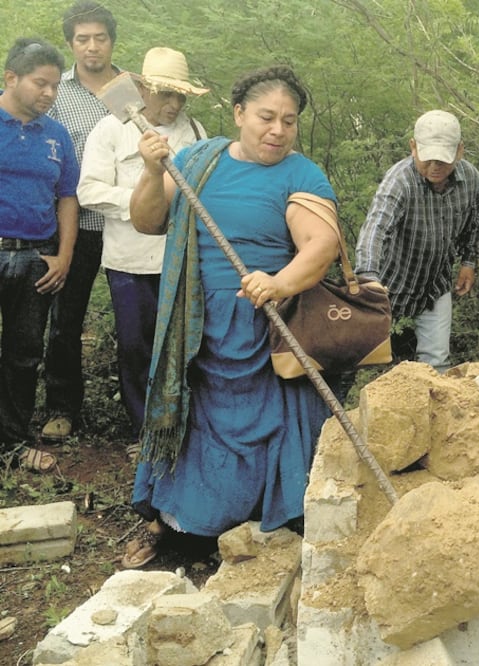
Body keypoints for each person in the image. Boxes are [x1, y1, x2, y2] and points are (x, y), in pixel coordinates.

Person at [123, 66, 342, 567]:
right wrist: (152, 171)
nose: (278, 130)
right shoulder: (197, 160)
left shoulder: (301, 174)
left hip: (267, 324)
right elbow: (147, 220)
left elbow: (321, 244)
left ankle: (271, 521)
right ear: (239, 114)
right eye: (267, 117)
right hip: (194, 325)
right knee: (197, 423)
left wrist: (279, 282)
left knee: (272, 424)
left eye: (289, 121)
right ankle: (187, 526)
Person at [76, 47, 207, 458]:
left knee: (184, 346)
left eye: (180, 96)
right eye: (166, 94)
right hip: (129, 261)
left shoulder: (195, 132)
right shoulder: (111, 129)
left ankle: (182, 428)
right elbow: (89, 190)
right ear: (144, 89)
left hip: (181, 259)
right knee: (136, 346)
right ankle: (143, 432)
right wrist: (143, 201)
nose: (174, 104)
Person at [41, 1, 121, 441]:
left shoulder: (131, 88)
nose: (92, 47)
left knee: (138, 321)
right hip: (76, 225)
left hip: (130, 226)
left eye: (100, 38)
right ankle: (62, 406)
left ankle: (140, 409)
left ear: (112, 41)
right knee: (65, 320)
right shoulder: (58, 92)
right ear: (71, 44)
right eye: (83, 39)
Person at [0, 38, 79, 472]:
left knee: (23, 355)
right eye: (40, 83)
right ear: (11, 78)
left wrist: (64, 256)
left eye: (54, 86)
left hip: (36, 259)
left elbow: (67, 197)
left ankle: (12, 444)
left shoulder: (56, 135)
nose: (49, 93)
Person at [355, 110, 479, 372]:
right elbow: (376, 229)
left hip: (435, 283)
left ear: (459, 151)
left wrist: (469, 262)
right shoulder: (399, 181)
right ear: (413, 147)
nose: (435, 166)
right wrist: (367, 277)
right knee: (371, 361)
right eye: (428, 158)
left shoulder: (470, 179)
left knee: (437, 362)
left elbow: (475, 222)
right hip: (391, 285)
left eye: (443, 159)